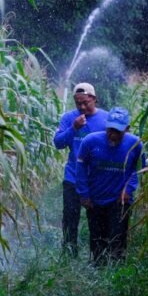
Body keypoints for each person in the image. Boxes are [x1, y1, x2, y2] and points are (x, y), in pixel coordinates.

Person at [76, 107, 144, 265]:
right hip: (95, 198)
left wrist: (128, 189)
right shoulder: (90, 141)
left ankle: (116, 269)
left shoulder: (135, 145)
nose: (112, 134)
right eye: (110, 129)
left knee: (118, 236)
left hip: (120, 200)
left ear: (127, 129)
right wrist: (84, 194)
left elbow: (138, 169)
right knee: (97, 235)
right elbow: (81, 168)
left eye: (117, 131)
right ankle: (98, 266)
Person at [53, 83, 108, 257]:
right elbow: (58, 143)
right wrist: (73, 128)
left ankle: (98, 257)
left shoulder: (106, 119)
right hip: (73, 177)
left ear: (94, 98)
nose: (82, 107)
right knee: (70, 218)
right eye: (78, 103)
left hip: (97, 180)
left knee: (98, 221)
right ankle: (69, 254)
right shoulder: (69, 118)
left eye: (85, 103)